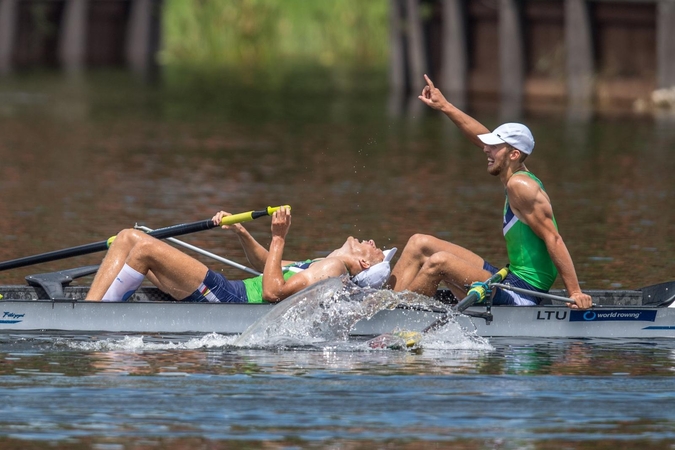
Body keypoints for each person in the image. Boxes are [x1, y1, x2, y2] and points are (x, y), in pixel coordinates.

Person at [388, 75, 592, 309]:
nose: (485, 149)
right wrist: (445, 106)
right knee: (419, 243)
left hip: (523, 293)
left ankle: (400, 319)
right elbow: (479, 136)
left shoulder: (522, 186)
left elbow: (553, 238)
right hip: (509, 277)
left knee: (440, 262)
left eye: (494, 147)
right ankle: (384, 307)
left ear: (513, 154)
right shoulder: (512, 172)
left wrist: (575, 292)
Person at [86, 207, 392, 303]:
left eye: (375, 248)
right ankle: (93, 309)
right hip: (229, 290)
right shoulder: (320, 264)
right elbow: (264, 266)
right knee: (128, 239)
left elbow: (273, 291)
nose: (370, 240)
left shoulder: (335, 267)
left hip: (230, 298)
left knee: (142, 247)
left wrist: (278, 237)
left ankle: (90, 318)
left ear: (364, 262)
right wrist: (241, 232)